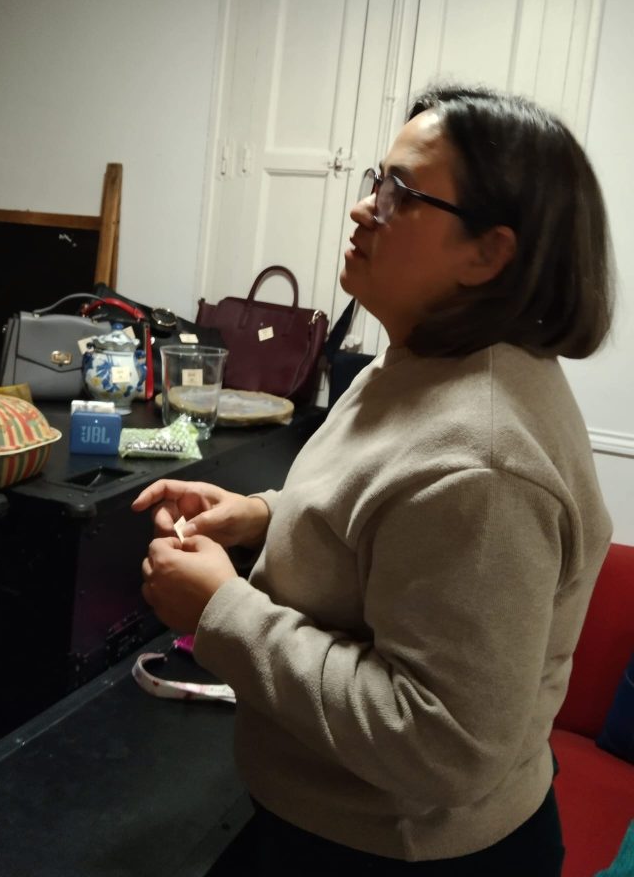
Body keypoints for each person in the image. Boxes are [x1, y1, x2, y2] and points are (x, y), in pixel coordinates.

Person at [132, 85, 615, 876]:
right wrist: (263, 515)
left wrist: (222, 611)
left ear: (488, 253)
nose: (363, 208)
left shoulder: (487, 461)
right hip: (332, 819)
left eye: (402, 195)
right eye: (375, 181)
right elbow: (391, 516)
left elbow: (441, 743)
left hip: (400, 852)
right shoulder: (422, 359)